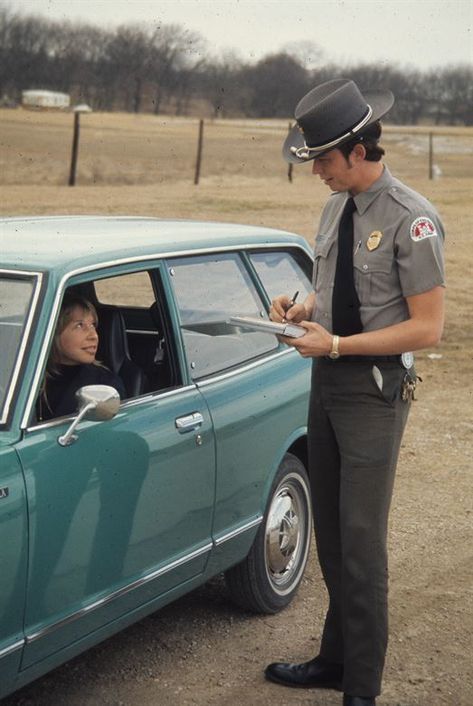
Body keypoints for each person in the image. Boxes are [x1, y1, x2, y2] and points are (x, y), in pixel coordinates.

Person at [264, 79, 445, 706]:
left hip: (371, 390)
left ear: (358, 149)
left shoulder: (411, 218)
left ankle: (361, 689)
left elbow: (428, 326)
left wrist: (337, 346)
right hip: (327, 380)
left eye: (322, 159)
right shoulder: (336, 206)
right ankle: (335, 660)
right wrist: (301, 305)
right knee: (334, 538)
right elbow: (336, 289)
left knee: (363, 546)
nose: (315, 170)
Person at [38, 294, 126, 421]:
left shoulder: (106, 385)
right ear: (54, 331)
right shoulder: (29, 379)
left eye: (93, 325)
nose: (94, 336)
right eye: (80, 325)